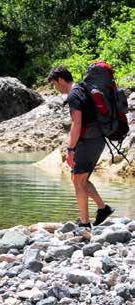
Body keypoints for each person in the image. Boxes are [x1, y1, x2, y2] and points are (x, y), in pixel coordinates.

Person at [47, 66, 114, 229]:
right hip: (96, 139)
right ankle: (103, 208)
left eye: (54, 84)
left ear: (61, 80)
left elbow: (77, 123)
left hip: (88, 141)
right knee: (79, 179)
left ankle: (85, 223)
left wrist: (70, 150)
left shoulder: (74, 95)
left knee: (78, 181)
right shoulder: (82, 89)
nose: (55, 88)